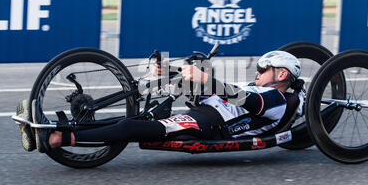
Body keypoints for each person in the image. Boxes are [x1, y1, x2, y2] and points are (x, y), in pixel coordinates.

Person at [17, 51, 303, 153]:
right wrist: (175, 71)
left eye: (263, 69)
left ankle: (57, 137)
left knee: (131, 127)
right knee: (181, 74)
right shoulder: (264, 88)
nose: (256, 72)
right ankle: (139, 90)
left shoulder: (276, 98)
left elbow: (242, 98)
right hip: (211, 106)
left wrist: (204, 80)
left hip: (209, 125)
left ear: (281, 74)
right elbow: (228, 92)